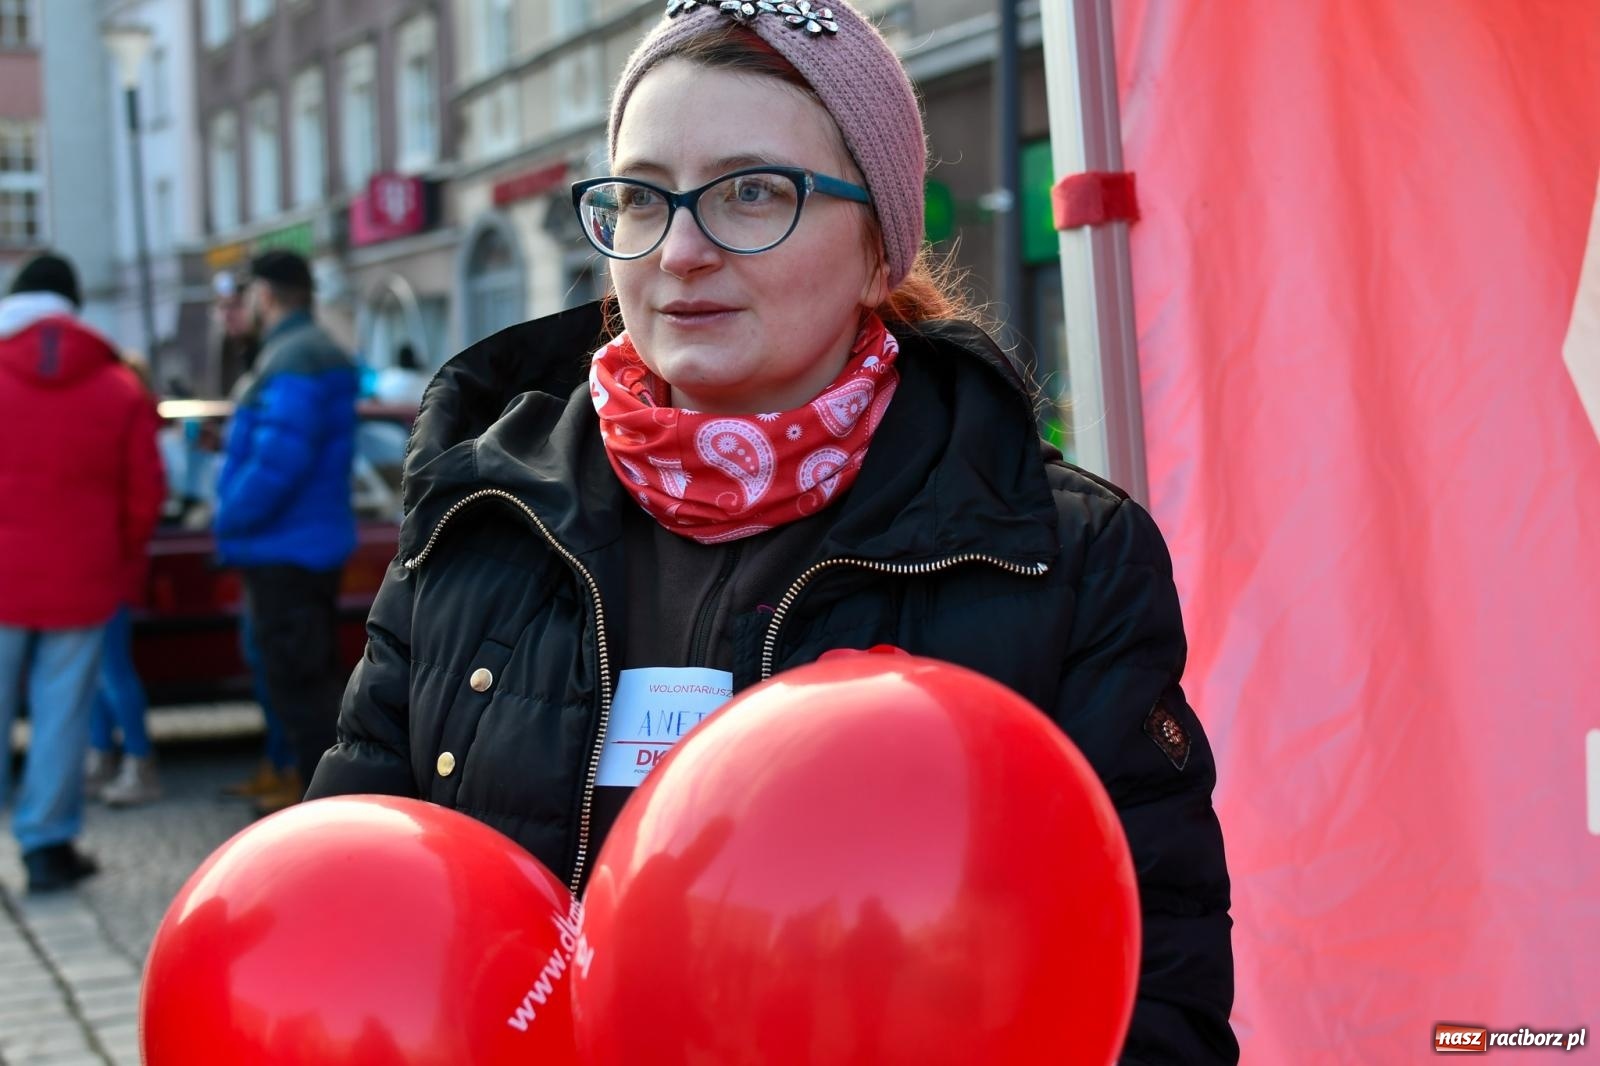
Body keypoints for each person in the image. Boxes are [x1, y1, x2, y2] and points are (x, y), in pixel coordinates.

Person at [308, 4, 1237, 1060]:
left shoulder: (1060, 554)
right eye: (641, 197)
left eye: (753, 193)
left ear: (880, 248)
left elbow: (1156, 984)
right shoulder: (481, 518)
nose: (683, 249)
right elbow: (361, 898)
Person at [0, 251, 165, 892]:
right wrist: (120, 563)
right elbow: (144, 494)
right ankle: (45, 847)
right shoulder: (118, 387)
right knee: (62, 715)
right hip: (81, 574)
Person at [215, 250, 358, 815]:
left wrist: (227, 515)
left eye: (247, 295)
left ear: (266, 296)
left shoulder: (294, 357)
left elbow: (279, 461)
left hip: (284, 549)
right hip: (303, 545)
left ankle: (313, 805)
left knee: (299, 687)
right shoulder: (307, 351)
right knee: (305, 678)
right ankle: (298, 783)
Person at [85, 353, 165, 807]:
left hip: (108, 563)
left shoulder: (132, 424)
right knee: (99, 672)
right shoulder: (130, 421)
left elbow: (143, 500)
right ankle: (104, 755)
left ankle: (137, 759)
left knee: (111, 670)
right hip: (106, 559)